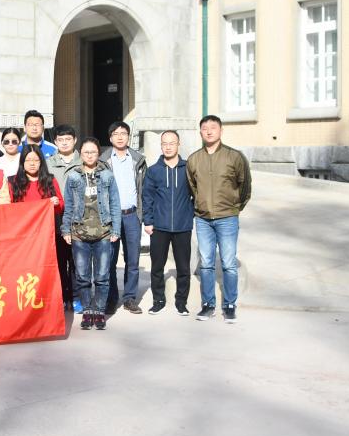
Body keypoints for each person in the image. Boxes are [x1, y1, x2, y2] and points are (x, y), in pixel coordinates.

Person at [186, 115, 251, 324]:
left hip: (227, 218)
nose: (209, 131)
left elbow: (245, 186)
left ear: (221, 131)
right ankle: (208, 305)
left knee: (229, 263)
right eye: (204, 128)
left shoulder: (234, 157)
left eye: (213, 127)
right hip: (203, 219)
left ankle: (230, 305)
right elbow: (192, 187)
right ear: (200, 132)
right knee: (206, 263)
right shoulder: (194, 159)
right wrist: (201, 205)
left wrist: (234, 208)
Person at [62, 137, 121, 330]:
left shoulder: (107, 175)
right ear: (81, 154)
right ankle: (88, 310)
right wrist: (66, 229)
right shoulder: (73, 177)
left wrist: (116, 229)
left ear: (98, 153)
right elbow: (69, 206)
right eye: (86, 152)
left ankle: (99, 311)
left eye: (93, 152)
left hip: (103, 233)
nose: (89, 155)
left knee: (102, 276)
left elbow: (115, 203)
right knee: (82, 276)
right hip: (79, 234)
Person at [143, 130, 194, 317]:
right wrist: (148, 221)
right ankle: (158, 301)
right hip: (159, 227)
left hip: (182, 227)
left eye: (172, 143)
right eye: (164, 143)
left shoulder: (188, 168)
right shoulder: (153, 170)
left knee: (183, 267)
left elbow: (197, 194)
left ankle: (181, 302)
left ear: (178, 144)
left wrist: (190, 214)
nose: (168, 147)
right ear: (161, 146)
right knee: (157, 267)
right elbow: (147, 197)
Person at [100, 121, 147, 315]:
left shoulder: (138, 160)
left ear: (129, 137)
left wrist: (143, 215)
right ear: (110, 138)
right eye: (116, 133)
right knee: (110, 260)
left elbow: (144, 189)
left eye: (123, 133)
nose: (120, 137)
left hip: (132, 215)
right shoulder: (103, 161)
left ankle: (129, 298)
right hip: (111, 217)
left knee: (133, 260)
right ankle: (111, 299)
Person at [47, 125, 82, 312]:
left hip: (79, 216)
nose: (64, 143)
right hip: (57, 216)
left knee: (76, 260)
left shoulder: (83, 161)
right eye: (60, 140)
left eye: (68, 139)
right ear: (55, 142)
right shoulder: (48, 163)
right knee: (60, 260)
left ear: (75, 140)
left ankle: (76, 296)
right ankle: (62, 295)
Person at [9, 144, 64, 215]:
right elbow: (9, 207)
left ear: (41, 162)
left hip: (45, 221)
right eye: (28, 160)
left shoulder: (50, 180)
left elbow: (61, 205)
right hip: (22, 221)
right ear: (22, 162)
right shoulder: (13, 181)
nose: (32, 163)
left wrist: (56, 203)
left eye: (36, 160)